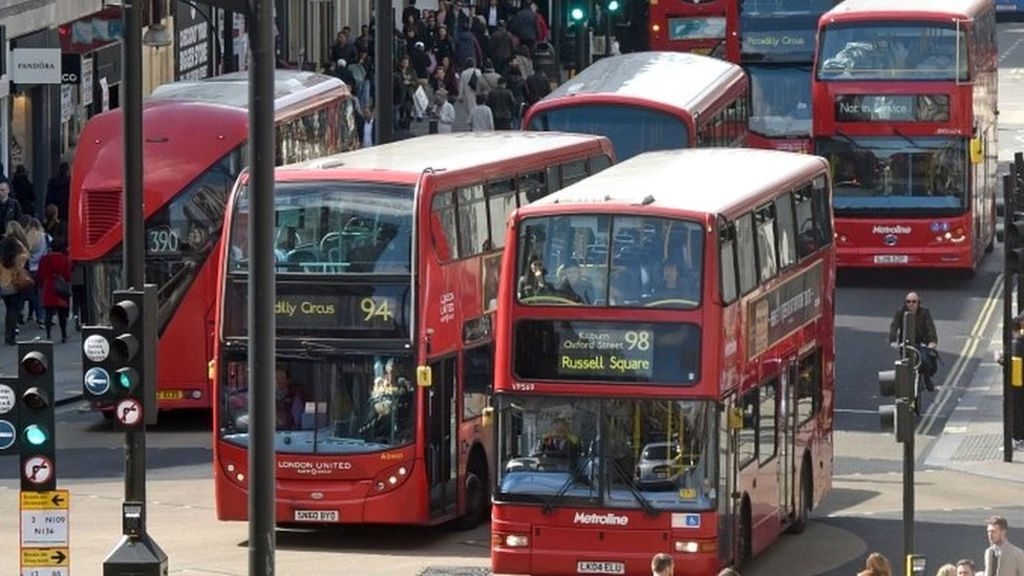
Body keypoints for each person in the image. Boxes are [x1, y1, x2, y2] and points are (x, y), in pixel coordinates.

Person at [888, 291, 939, 390]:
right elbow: (894, 326)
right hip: (906, 343)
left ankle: (926, 378)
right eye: (908, 302)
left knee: (924, 360)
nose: (911, 304)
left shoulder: (924, 312)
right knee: (904, 364)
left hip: (921, 343)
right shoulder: (900, 312)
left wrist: (932, 342)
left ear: (918, 303)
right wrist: (893, 341)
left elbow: (930, 327)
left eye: (914, 302)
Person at [37, 236, 71, 342]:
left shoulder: (44, 259)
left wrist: (43, 284)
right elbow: (68, 276)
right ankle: (64, 334)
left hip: (48, 287)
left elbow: (40, 275)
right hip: (60, 288)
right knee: (62, 314)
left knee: (48, 313)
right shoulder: (65, 259)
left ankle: (48, 335)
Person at [0, 235, 29, 345]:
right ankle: (11, 335)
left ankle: (8, 334)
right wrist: (19, 243)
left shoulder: (1, 258)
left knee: (8, 310)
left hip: (3, 286)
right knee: (14, 311)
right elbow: (27, 253)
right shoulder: (18, 257)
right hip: (15, 285)